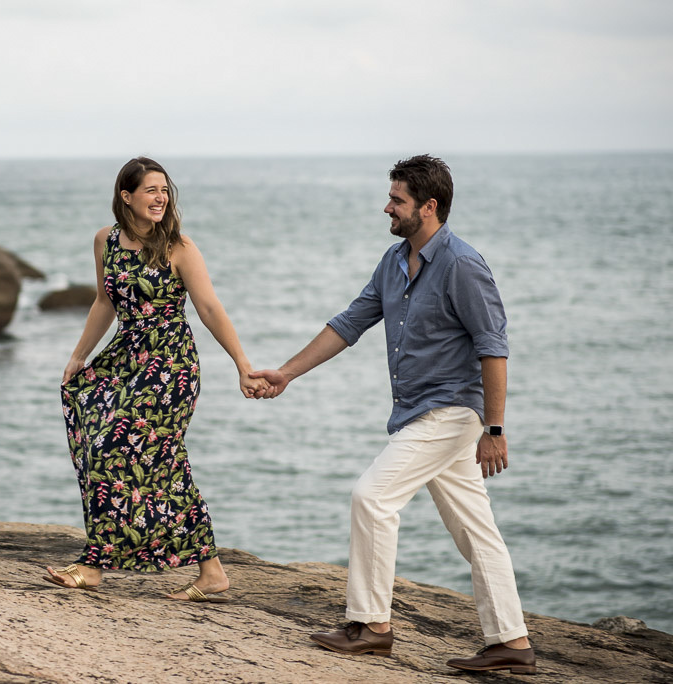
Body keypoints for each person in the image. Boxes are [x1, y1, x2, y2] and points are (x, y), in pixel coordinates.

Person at [250, 155, 536, 674]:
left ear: (428, 207)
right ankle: (512, 643)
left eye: (397, 200)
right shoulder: (393, 260)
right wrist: (287, 373)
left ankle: (372, 626)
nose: (387, 207)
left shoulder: (463, 265)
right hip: (416, 411)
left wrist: (495, 428)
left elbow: (494, 346)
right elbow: (349, 323)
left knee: (373, 496)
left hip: (450, 411)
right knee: (476, 531)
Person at [45, 156, 267, 602]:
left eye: (164, 190)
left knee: (137, 452)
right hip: (126, 356)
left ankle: (96, 566)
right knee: (114, 449)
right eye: (151, 190)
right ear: (126, 196)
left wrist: (242, 364)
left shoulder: (179, 247)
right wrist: (78, 356)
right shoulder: (104, 240)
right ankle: (208, 571)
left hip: (170, 364)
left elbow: (208, 309)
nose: (161, 197)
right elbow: (104, 303)